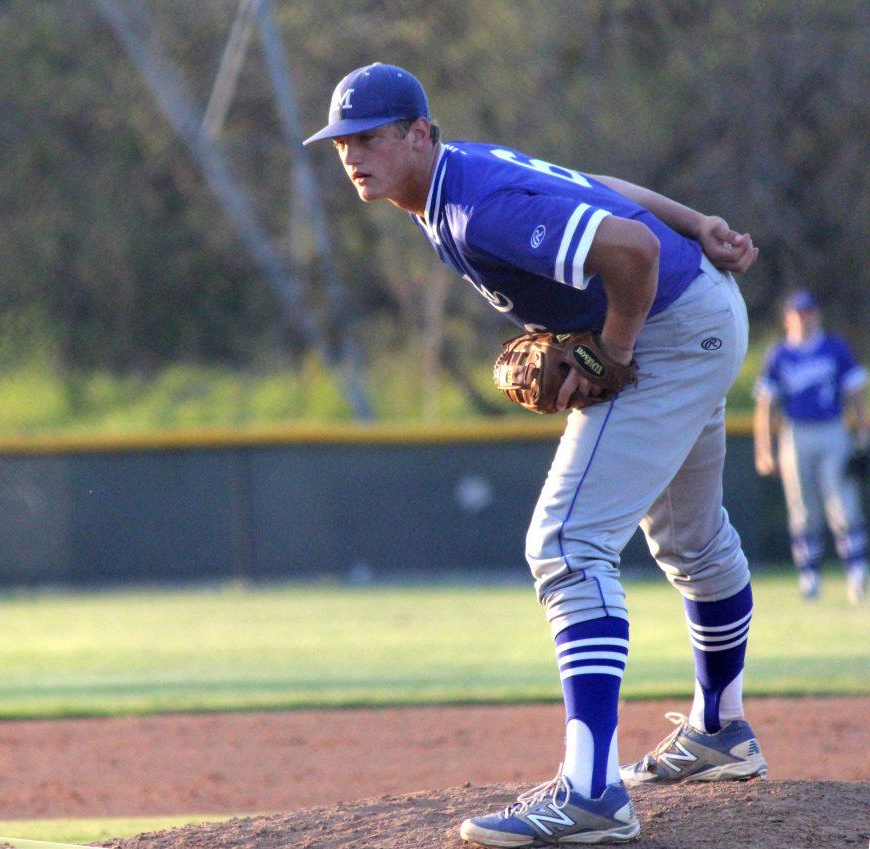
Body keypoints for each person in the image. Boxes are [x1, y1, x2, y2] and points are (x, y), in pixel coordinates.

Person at [304, 64, 765, 846]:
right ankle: (720, 729)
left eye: (370, 136)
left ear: (418, 133)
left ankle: (591, 792)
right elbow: (601, 185)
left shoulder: (474, 206)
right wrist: (698, 221)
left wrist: (612, 351)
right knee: (690, 538)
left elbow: (628, 247)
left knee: (564, 542)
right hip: (701, 312)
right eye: (342, 140)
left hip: (669, 331)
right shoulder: (457, 180)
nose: (352, 153)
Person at [753, 290, 869, 603]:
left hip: (833, 430)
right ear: (788, 318)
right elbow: (766, 405)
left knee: (843, 504)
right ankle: (810, 577)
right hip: (796, 432)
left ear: (816, 316)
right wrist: (764, 450)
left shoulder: (834, 348)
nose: (804, 320)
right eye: (798, 315)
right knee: (803, 508)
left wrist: (862, 434)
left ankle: (857, 573)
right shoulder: (779, 354)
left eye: (808, 314)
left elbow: (856, 393)